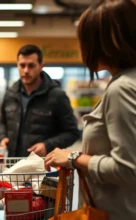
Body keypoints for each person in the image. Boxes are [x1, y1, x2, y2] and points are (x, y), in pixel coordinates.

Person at [44, 0, 136, 219]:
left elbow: (128, 169)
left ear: (104, 42)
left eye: (85, 40)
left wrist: (73, 158)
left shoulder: (121, 89)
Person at [0, 44, 80, 157]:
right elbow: (3, 122)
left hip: (44, 166)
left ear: (41, 66)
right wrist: (2, 138)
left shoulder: (57, 95)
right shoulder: (10, 94)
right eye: (22, 65)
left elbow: (72, 133)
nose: (26, 70)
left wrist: (47, 145)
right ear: (17, 65)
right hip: (13, 165)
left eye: (31, 65)